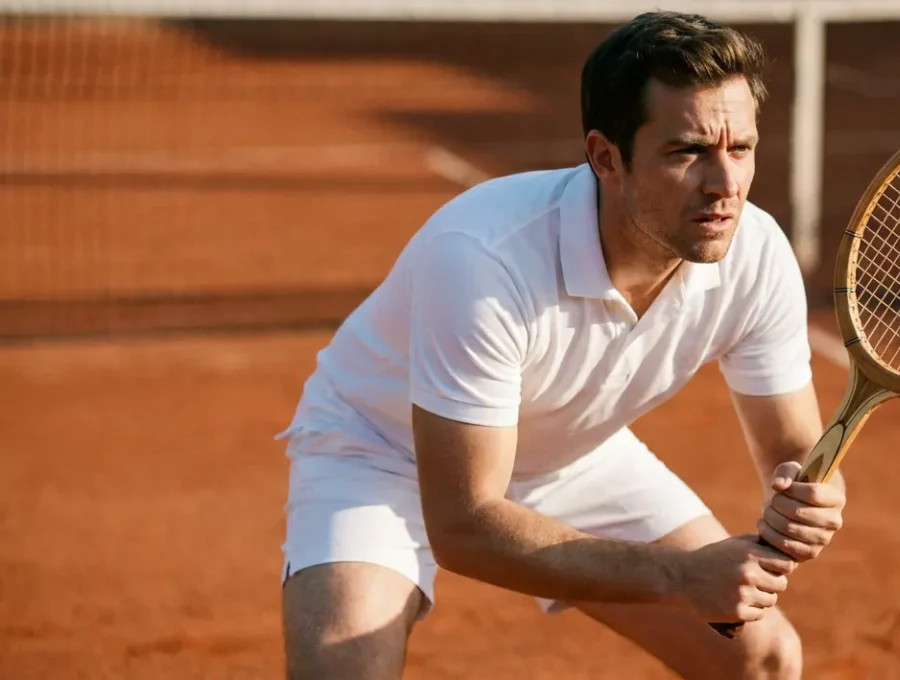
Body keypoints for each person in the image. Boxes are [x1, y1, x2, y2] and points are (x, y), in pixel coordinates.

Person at [277, 11, 847, 680]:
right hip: (380, 451)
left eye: (741, 148)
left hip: (572, 452)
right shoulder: (483, 258)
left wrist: (811, 490)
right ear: (607, 158)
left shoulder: (755, 253)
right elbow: (465, 523)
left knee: (764, 659)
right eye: (687, 151)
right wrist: (679, 574)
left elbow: (795, 450)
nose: (725, 185)